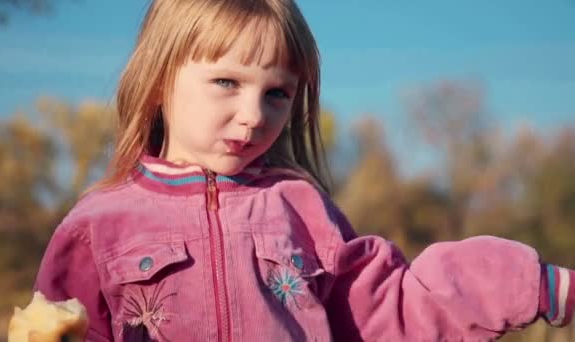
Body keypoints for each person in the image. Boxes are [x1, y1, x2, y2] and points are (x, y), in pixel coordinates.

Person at [34, 0, 574, 341]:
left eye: (277, 93)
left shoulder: (300, 208)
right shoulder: (97, 224)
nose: (253, 115)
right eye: (227, 82)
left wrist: (529, 284)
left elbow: (390, 312)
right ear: (158, 83)